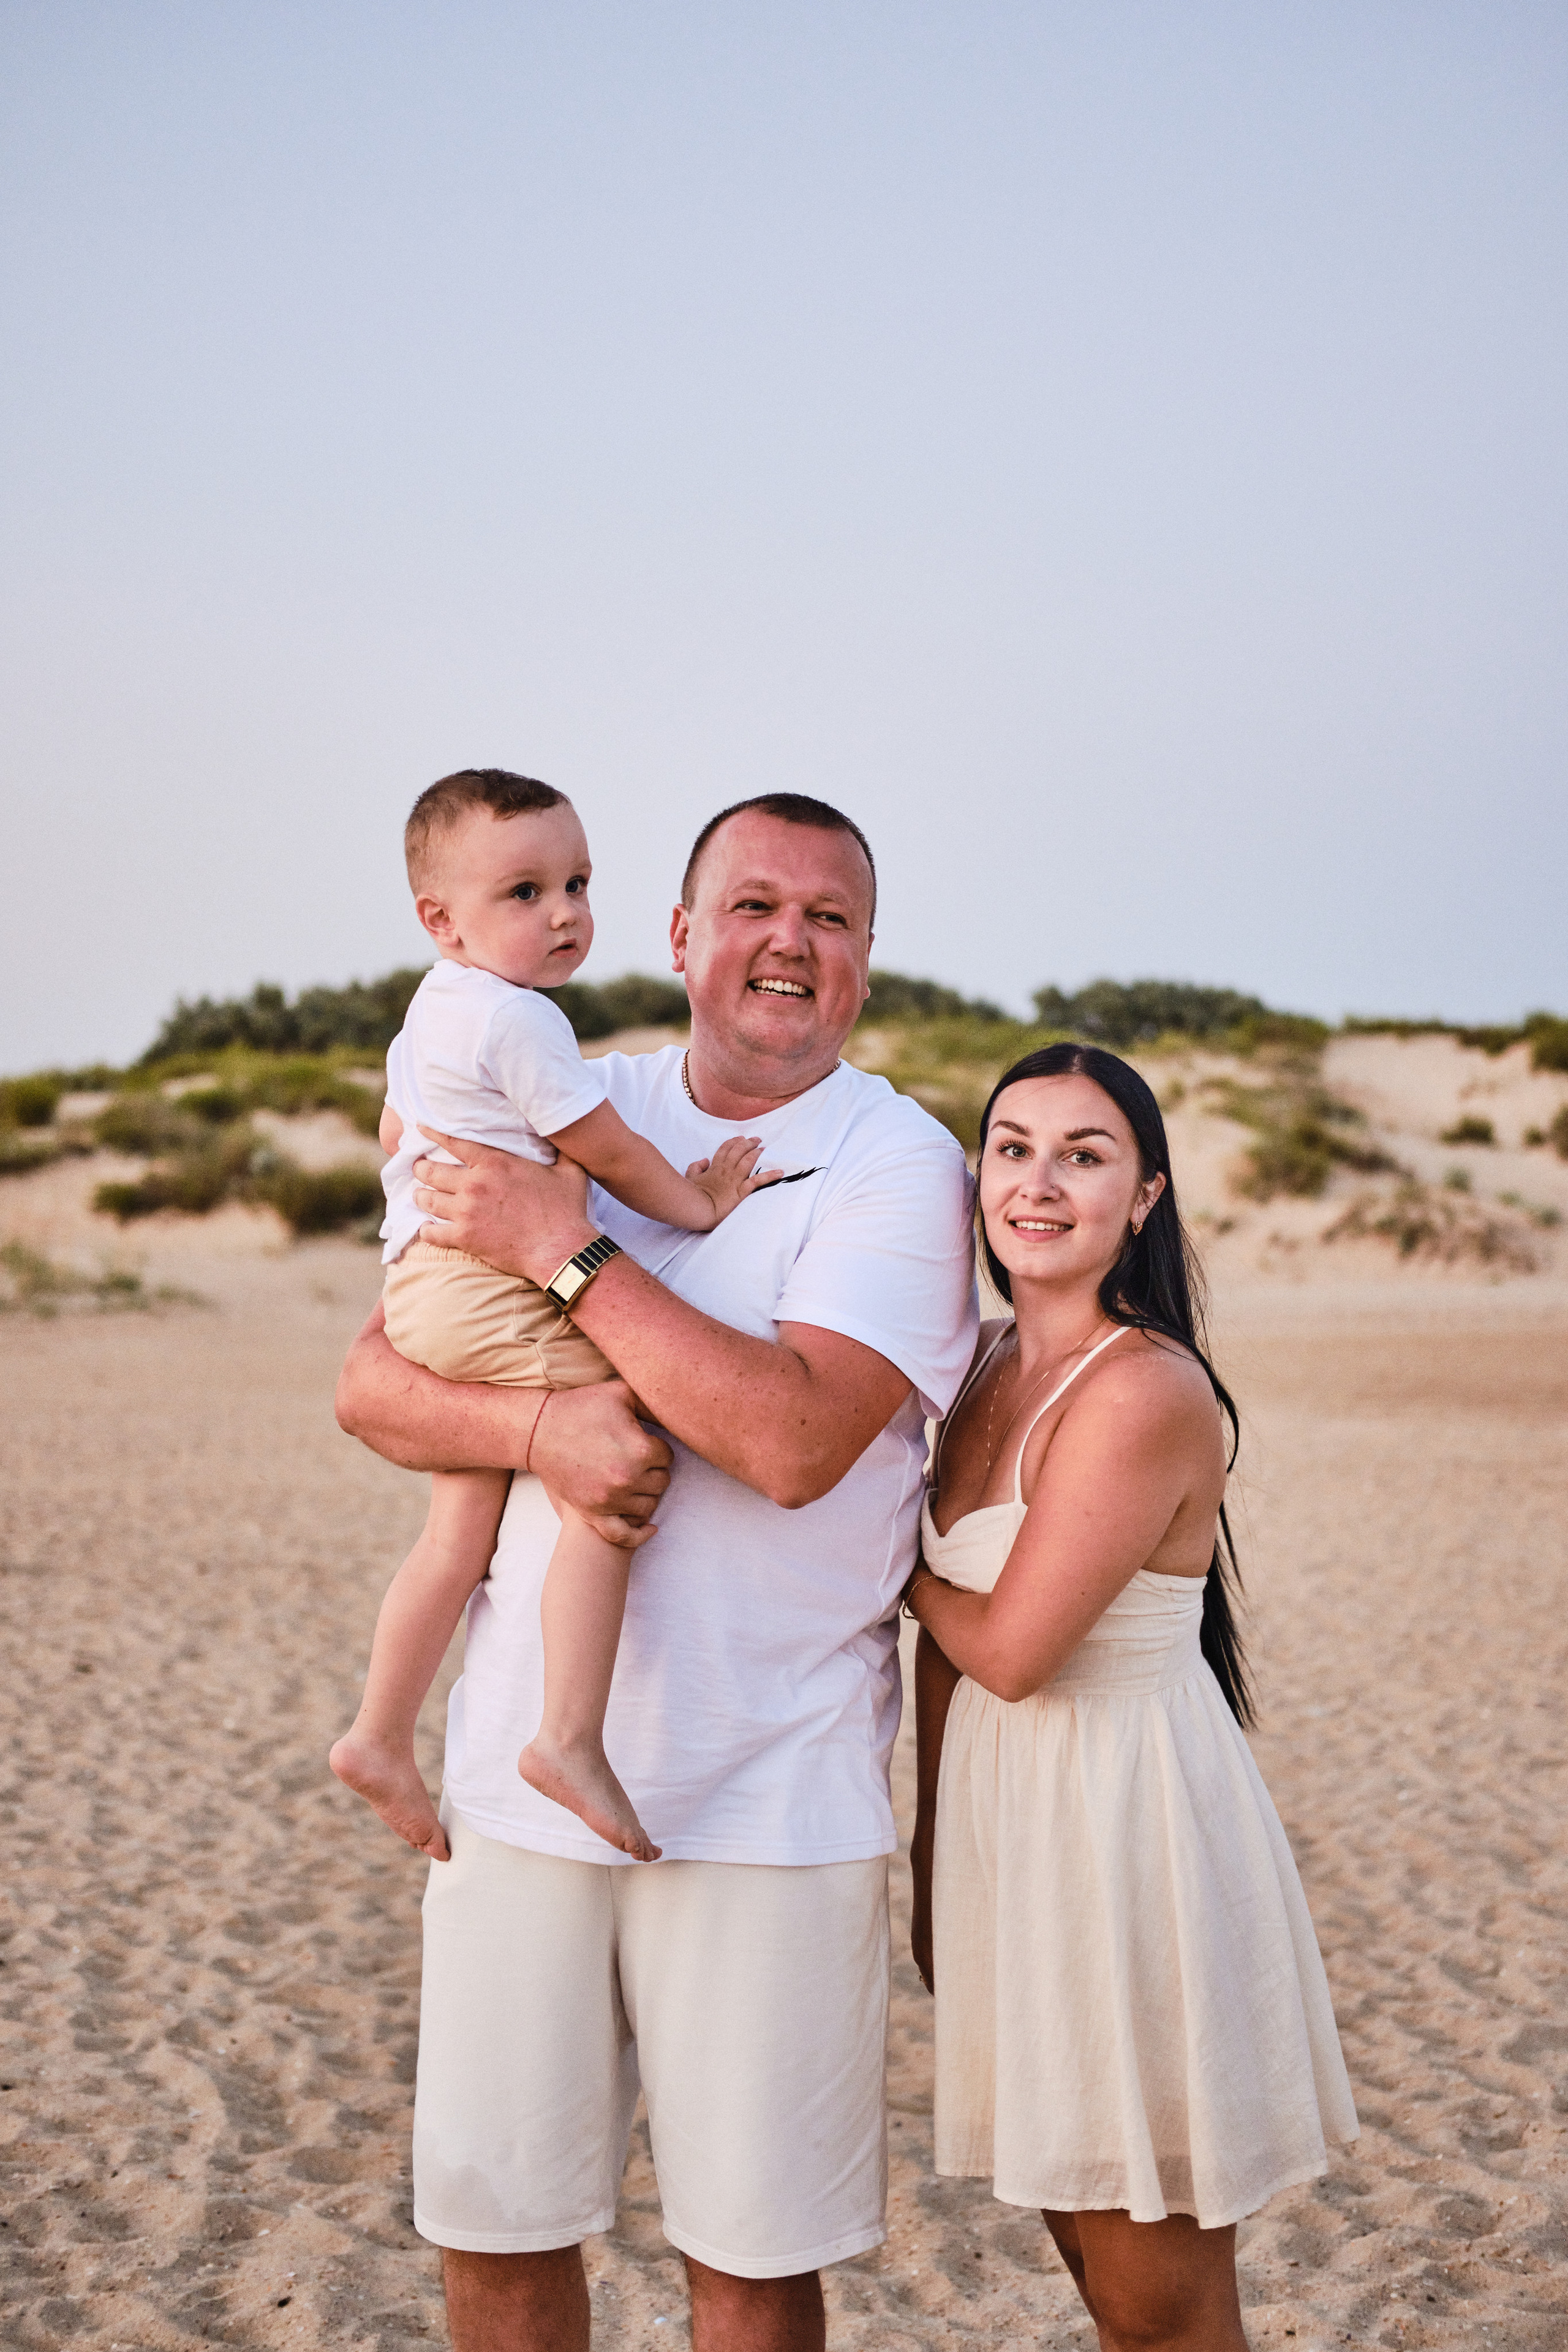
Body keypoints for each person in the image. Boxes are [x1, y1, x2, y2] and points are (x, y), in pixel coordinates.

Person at [334, 792, 977, 2352]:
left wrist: (573, 1258)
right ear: (681, 936)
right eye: (752, 905)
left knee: (749, 2268)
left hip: (769, 1796)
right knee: (497, 2236)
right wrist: (545, 1427)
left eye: (828, 918)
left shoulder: (898, 1166)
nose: (788, 942)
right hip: (511, 1787)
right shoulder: (552, 1086)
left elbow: (795, 1439)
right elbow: (372, 1381)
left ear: (866, 964)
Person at [906, 1042, 1358, 2352]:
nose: (1036, 1183)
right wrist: (939, 1859)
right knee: (1092, 2270)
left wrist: (883, 1565)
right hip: (1010, 1834)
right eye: (1010, 1147)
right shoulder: (978, 1366)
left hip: (1122, 1838)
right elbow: (953, 1673)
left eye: (1083, 1155)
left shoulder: (1146, 1389)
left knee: (1157, 2303)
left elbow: (1007, 1650)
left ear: (1144, 1198)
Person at [330, 767, 775, 1866]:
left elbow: (395, 1134)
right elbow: (611, 1150)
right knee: (616, 1447)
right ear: (441, 918)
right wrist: (704, 1200)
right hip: (485, 1288)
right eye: (524, 892)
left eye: (575, 882)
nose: (565, 911)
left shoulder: (434, 1008)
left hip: (423, 1283)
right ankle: (568, 1737)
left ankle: (381, 1733)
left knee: (456, 1532)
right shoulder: (518, 1020)